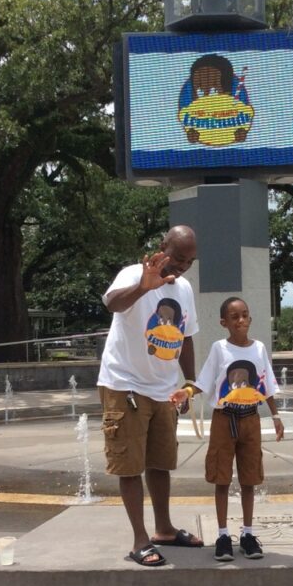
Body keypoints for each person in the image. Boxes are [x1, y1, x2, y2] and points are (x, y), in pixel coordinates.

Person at [98, 225, 204, 567]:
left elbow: (186, 337)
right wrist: (144, 286)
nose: (182, 266)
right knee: (129, 466)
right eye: (177, 258)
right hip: (125, 384)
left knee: (160, 463)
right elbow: (112, 304)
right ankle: (139, 540)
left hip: (162, 389)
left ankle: (164, 529)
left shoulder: (184, 288)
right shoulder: (133, 274)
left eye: (189, 261)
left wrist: (188, 381)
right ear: (163, 247)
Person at [170, 296, 284, 561]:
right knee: (221, 478)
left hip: (250, 419)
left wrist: (276, 416)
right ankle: (222, 535)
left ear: (250, 318)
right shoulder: (220, 348)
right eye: (234, 317)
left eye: (244, 315)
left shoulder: (258, 349)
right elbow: (205, 380)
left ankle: (247, 533)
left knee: (250, 478)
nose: (241, 320)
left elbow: (266, 385)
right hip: (224, 419)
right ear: (224, 322)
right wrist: (186, 392)